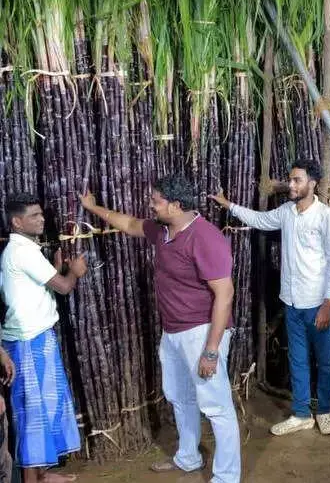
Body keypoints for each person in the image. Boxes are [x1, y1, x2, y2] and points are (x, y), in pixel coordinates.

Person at [79, 175, 240, 483]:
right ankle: (188, 457)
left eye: (156, 201)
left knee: (217, 407)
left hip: (202, 332)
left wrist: (211, 349)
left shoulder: (206, 238)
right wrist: (93, 206)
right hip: (173, 331)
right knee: (180, 397)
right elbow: (128, 224)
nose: (150, 205)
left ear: (176, 205)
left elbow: (225, 294)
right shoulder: (164, 231)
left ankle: (227, 477)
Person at [209, 159, 330, 436]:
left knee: (325, 360)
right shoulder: (286, 212)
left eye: (297, 180)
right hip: (292, 302)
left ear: (312, 183)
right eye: (290, 179)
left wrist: (329, 303)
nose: (290, 185)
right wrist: (228, 205)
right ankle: (302, 413)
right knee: (297, 358)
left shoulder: (328, 219)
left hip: (319, 303)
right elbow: (259, 220)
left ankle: (325, 411)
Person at [1, 193, 86, 483]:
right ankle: (31, 479)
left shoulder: (26, 250)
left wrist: (59, 269)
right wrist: (73, 274)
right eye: (34, 215)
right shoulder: (22, 252)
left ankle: (43, 474)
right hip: (26, 342)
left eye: (41, 214)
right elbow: (62, 288)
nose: (42, 219)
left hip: (36, 337)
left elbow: (41, 287)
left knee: (44, 407)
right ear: (17, 221)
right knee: (31, 415)